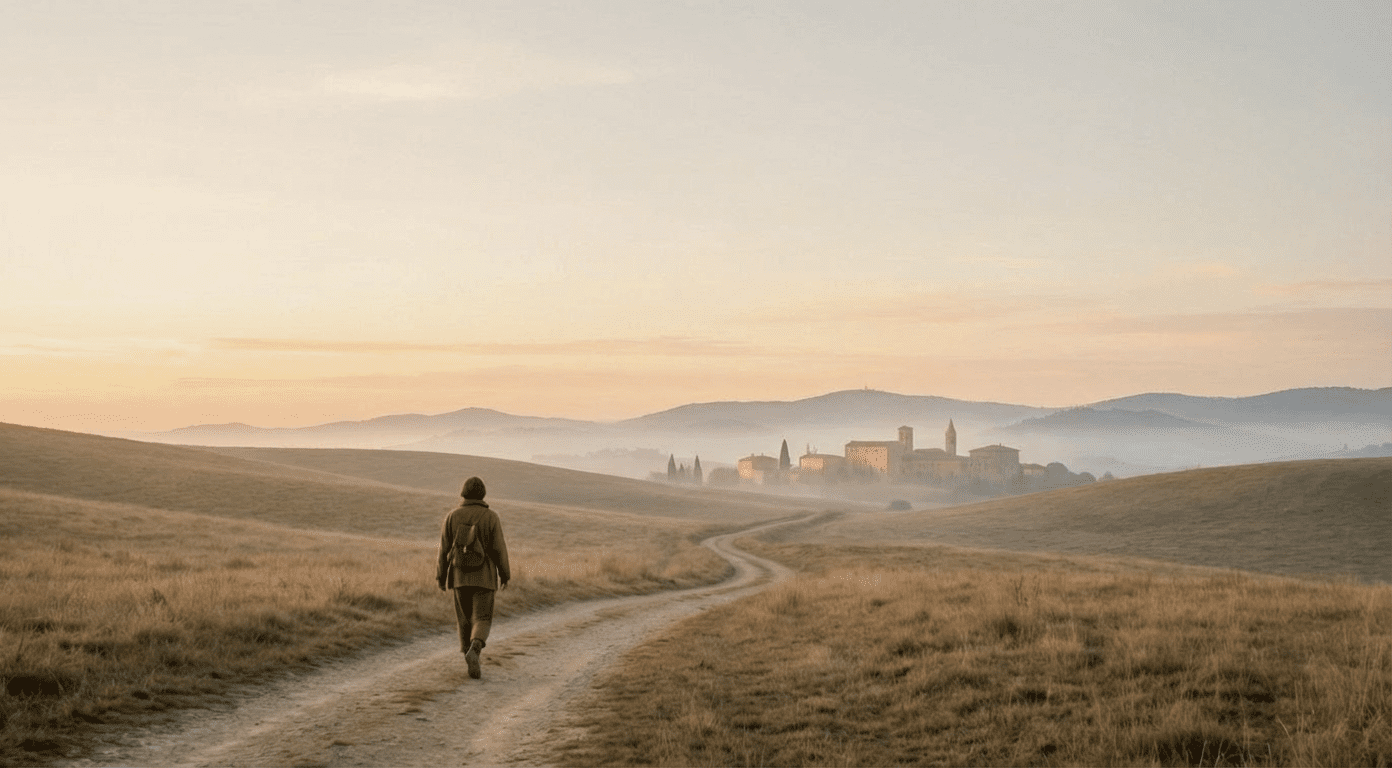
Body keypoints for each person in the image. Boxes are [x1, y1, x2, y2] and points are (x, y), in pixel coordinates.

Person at [437, 476, 510, 679]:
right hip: (484, 577)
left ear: (463, 493)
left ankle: (467, 654)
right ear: (483, 494)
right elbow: (499, 549)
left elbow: (443, 549)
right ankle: (475, 649)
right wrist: (505, 574)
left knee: (464, 619)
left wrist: (440, 576)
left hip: (459, 576)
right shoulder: (491, 517)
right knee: (482, 617)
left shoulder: (451, 516)